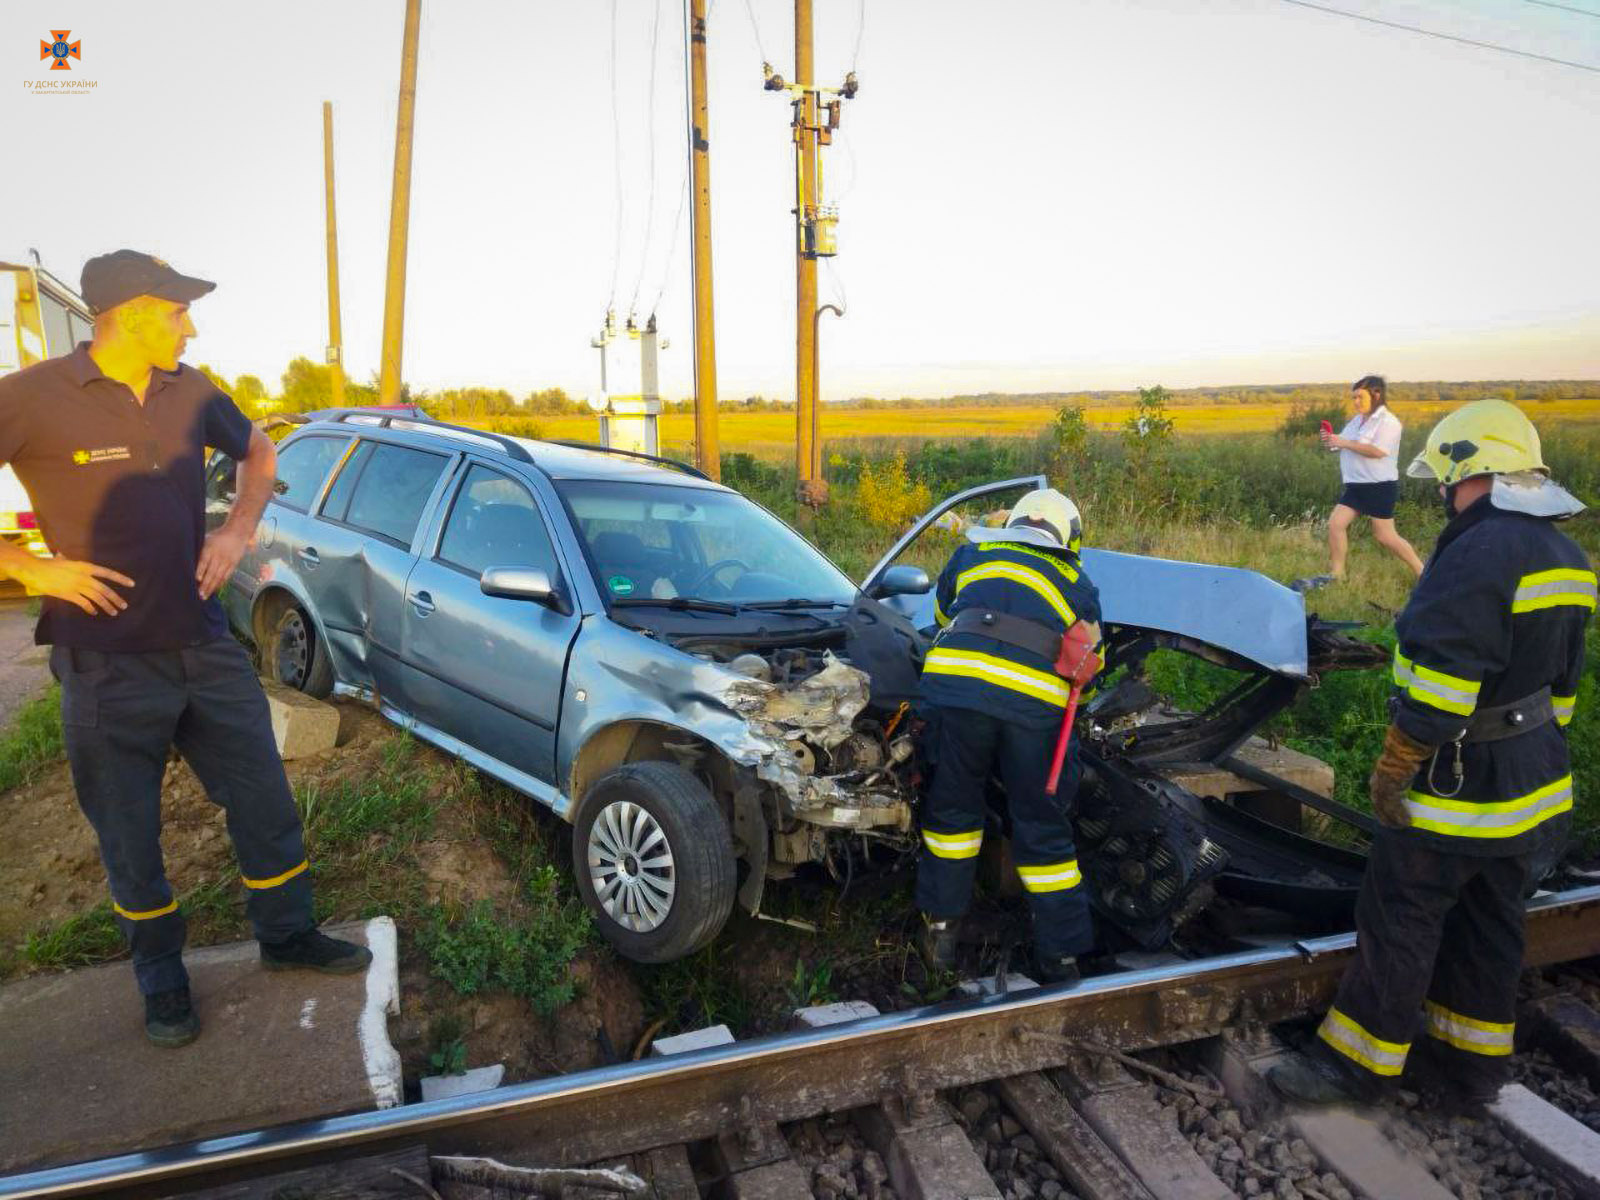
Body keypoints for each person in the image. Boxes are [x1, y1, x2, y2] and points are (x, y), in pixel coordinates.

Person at [0, 250, 371, 1049]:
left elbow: (260, 451)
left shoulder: (191, 390)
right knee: (129, 834)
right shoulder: (30, 397)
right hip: (105, 664)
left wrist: (237, 530)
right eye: (177, 312)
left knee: (264, 798)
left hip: (205, 648)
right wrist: (32, 567)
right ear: (132, 314)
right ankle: (161, 981)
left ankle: (286, 934)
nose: (189, 325)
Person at [1270, 399, 1593, 1109]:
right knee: (1490, 929)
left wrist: (1397, 763)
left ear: (1466, 470)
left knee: (1401, 916)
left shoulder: (1474, 550)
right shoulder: (1567, 554)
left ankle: (1353, 1068)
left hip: (1459, 788)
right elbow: (1564, 685)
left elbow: (1444, 684)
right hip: (1535, 785)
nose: (1443, 497)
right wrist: (1533, 751)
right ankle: (1466, 1074)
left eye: (1445, 482)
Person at [915, 488, 1101, 984]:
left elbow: (941, 617)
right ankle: (1059, 957)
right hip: (1032, 710)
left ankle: (940, 937)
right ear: (1067, 536)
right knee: (1041, 823)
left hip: (956, 693)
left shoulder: (973, 552)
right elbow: (1088, 662)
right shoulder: (1074, 579)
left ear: (1015, 521)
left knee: (952, 812)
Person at [1318, 375, 1424, 582]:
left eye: (1360, 397)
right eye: (1353, 398)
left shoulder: (1389, 422)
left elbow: (1378, 451)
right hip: (1355, 485)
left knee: (1385, 536)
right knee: (1335, 524)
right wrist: (1330, 441)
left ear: (1376, 395)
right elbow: (1340, 444)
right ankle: (1337, 574)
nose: (1355, 402)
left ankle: (1422, 571)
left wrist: (1344, 443)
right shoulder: (1357, 421)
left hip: (1379, 486)